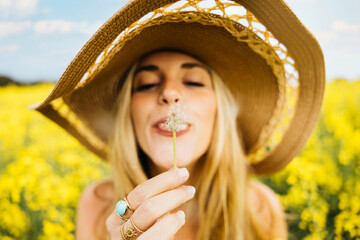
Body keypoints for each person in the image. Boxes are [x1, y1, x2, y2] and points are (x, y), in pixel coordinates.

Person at [32, 0, 325, 239]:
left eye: (195, 82)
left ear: (218, 111)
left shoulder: (261, 209)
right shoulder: (97, 206)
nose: (170, 93)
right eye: (146, 84)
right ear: (128, 115)